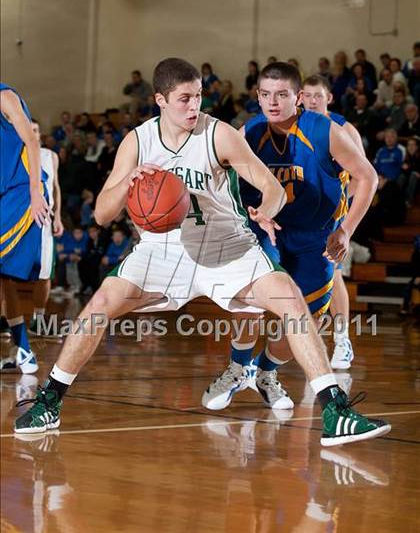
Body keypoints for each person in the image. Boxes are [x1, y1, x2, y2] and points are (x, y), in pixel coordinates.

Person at [14, 58, 390, 446]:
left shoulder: (220, 134)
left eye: (198, 97)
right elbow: (102, 214)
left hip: (228, 244)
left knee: (291, 299)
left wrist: (267, 211)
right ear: (160, 99)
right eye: (184, 99)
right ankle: (49, 401)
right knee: (98, 306)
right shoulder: (138, 141)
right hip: (164, 249)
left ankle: (335, 410)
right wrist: (129, 181)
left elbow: (272, 187)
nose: (194, 106)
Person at [203, 63, 378, 413]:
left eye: (282, 94)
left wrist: (345, 230)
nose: (273, 101)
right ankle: (238, 367)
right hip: (264, 228)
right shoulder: (248, 131)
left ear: (297, 97)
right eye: (265, 94)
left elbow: (368, 177)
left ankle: (266, 372)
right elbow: (215, 177)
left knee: (304, 322)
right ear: (257, 96)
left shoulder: (325, 130)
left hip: (316, 236)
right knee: (249, 300)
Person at [300, 75, 367, 370]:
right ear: (300, 97)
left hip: (333, 212)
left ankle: (342, 340)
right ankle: (306, 342)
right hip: (300, 213)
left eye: (319, 96)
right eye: (309, 96)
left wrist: (339, 208)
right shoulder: (293, 125)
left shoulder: (343, 128)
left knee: (333, 272)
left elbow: (362, 177)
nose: (313, 101)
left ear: (329, 98)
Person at [0, 83, 50, 373]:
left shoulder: (5, 97)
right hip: (6, 192)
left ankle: (23, 348)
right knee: (4, 279)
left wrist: (35, 192)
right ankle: (24, 350)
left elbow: (32, 141)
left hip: (22, 191)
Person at [27, 120, 64, 338]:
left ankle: (37, 320)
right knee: (7, 274)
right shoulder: (14, 153)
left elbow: (56, 187)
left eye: (35, 130)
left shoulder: (51, 156)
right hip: (20, 220)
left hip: (45, 222)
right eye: (28, 130)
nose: (32, 134)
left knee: (44, 273)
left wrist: (58, 216)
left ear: (40, 134)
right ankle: (3, 320)